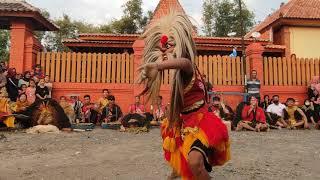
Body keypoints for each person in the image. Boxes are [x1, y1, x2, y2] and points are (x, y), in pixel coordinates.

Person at [137, 12, 230, 180]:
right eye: (163, 48)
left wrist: (158, 66)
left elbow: (182, 63)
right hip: (183, 122)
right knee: (177, 152)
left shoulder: (187, 65)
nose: (166, 50)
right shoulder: (177, 76)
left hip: (201, 123)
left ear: (180, 44)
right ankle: (178, 169)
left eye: (170, 45)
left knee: (195, 163)